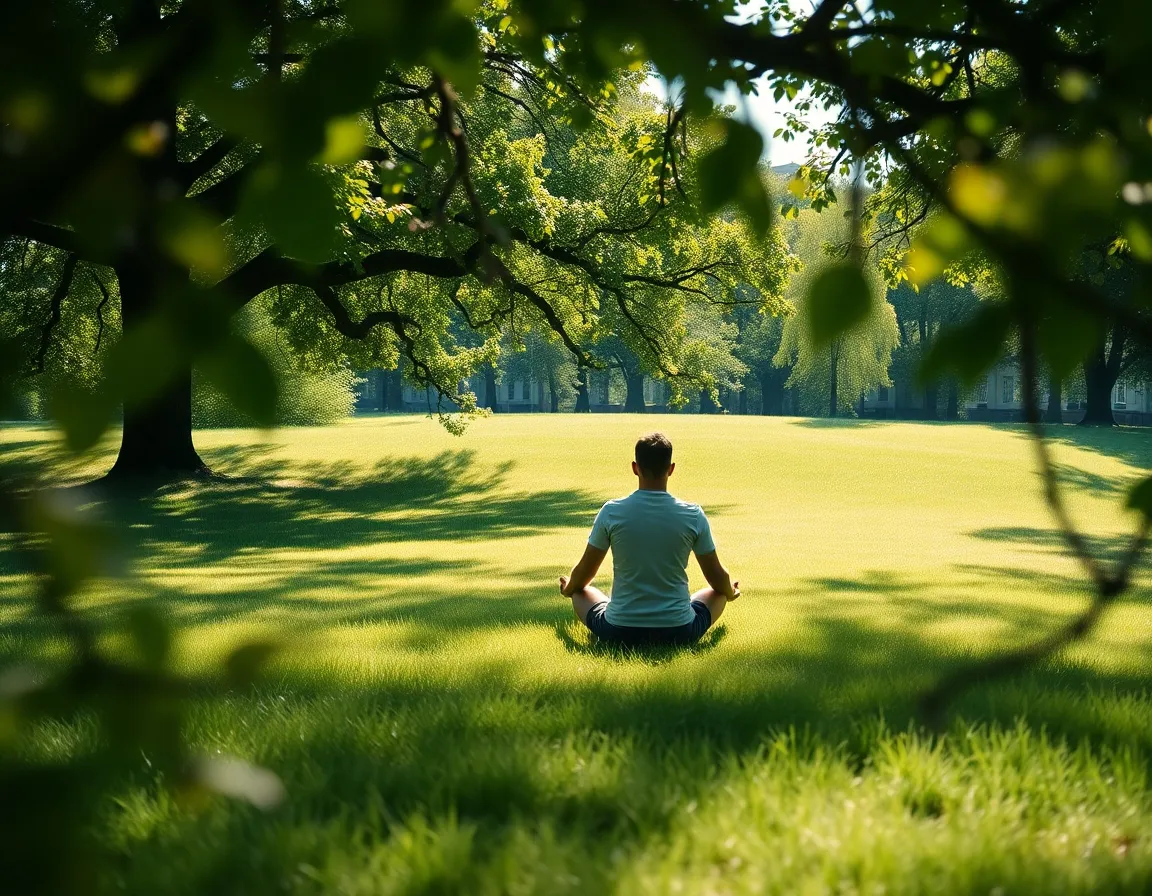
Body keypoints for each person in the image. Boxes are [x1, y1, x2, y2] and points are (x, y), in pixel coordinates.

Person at [559, 432, 740, 646]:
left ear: (635, 468)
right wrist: (730, 592)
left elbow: (584, 572)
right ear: (671, 469)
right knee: (718, 593)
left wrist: (569, 589)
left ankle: (620, 612)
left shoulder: (611, 512)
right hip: (679, 631)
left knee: (581, 592)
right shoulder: (693, 515)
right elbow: (716, 576)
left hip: (618, 631)